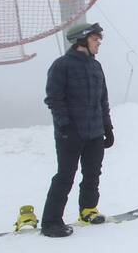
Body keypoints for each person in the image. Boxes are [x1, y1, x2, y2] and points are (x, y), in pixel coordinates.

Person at [40, 22, 115, 238]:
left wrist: (107, 127)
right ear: (81, 40)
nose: (98, 42)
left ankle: (88, 210)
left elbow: (103, 100)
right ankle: (51, 221)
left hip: (94, 133)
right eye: (95, 39)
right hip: (70, 134)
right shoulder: (61, 66)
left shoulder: (95, 66)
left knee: (92, 174)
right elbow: (54, 99)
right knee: (65, 176)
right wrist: (65, 127)